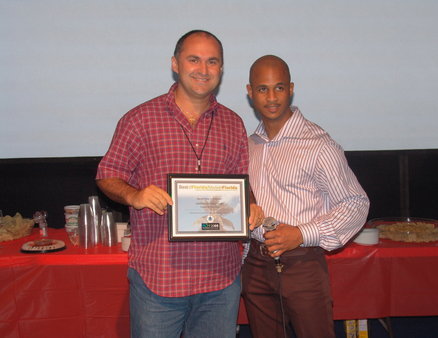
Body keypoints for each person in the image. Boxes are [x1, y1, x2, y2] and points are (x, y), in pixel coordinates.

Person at [96, 30, 263, 338]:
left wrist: (250, 205)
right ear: (175, 64)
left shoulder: (233, 123)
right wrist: (135, 195)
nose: (203, 69)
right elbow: (107, 174)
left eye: (212, 61)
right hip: (158, 279)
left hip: (220, 281)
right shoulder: (140, 119)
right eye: (194, 59)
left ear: (221, 69)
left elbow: (243, 181)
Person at [241, 55, 370, 338]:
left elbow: (356, 203)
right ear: (250, 93)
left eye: (279, 87)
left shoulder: (317, 144)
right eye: (262, 89)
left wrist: (301, 234)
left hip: (303, 264)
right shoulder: (248, 146)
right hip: (256, 266)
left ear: (291, 89)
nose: (272, 97)